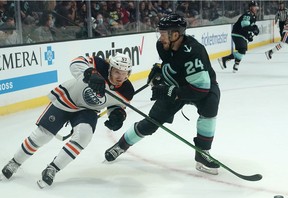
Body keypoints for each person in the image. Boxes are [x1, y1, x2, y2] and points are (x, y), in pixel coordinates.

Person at [104, 13, 221, 175]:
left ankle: (202, 153)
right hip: (177, 85)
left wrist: (169, 90)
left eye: (163, 34)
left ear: (175, 34)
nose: (160, 38)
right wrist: (160, 71)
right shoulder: (162, 45)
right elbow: (172, 64)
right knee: (151, 123)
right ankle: (121, 145)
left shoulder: (194, 52)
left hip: (200, 87)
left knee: (210, 104)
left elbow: (200, 90)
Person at [1, 52, 134, 188]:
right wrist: (90, 73)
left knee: (84, 135)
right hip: (67, 100)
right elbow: (76, 62)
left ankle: (53, 168)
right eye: (117, 72)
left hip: (88, 110)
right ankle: (15, 162)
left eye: (125, 73)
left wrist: (117, 116)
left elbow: (117, 105)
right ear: (110, 68)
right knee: (42, 135)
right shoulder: (99, 64)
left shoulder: (127, 90)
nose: (121, 77)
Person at [218, 1, 260, 73]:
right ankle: (224, 59)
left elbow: (248, 28)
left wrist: (250, 34)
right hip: (237, 34)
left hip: (241, 35)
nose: (256, 8)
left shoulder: (253, 16)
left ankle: (235, 65)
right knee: (242, 50)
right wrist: (253, 29)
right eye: (254, 7)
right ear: (250, 8)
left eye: (256, 7)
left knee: (242, 51)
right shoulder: (247, 15)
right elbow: (245, 26)